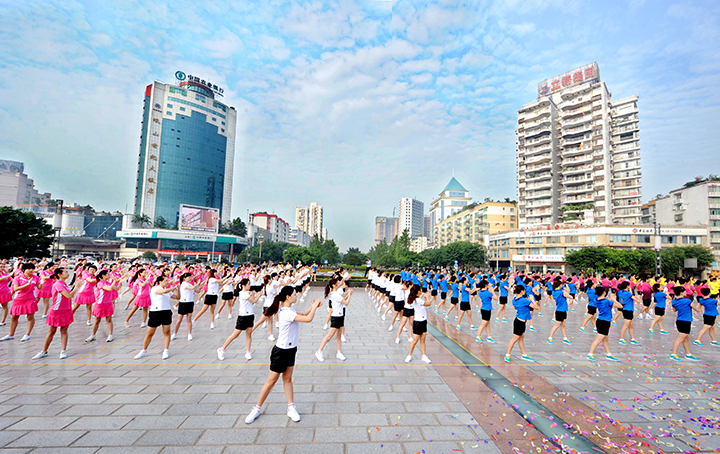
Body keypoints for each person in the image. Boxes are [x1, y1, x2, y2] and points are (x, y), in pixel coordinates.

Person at [245, 286, 323, 424]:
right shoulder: (286, 312)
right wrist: (315, 307)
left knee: (287, 379)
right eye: (294, 294)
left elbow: (304, 315)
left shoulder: (289, 309)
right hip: (281, 352)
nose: (296, 296)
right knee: (271, 382)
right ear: (288, 297)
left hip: (291, 350)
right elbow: (309, 319)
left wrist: (312, 307)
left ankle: (291, 408)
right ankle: (256, 409)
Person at [32, 267, 80, 359]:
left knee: (64, 331)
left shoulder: (64, 284)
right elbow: (69, 295)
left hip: (66, 310)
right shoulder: (58, 284)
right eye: (65, 272)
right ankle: (44, 351)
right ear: (59, 274)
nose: (68, 273)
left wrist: (75, 287)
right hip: (56, 311)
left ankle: (63, 350)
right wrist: (76, 286)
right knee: (51, 332)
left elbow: (69, 295)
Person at [133, 275, 180, 360]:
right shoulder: (155, 288)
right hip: (155, 312)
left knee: (166, 332)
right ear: (160, 281)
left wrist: (178, 290)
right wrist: (172, 287)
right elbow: (164, 291)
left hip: (166, 312)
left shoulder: (168, 291)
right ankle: (144, 350)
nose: (167, 282)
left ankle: (166, 350)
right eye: (165, 280)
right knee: (150, 333)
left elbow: (177, 297)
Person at [217, 279, 261, 361]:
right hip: (243, 316)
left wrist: (253, 294)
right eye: (248, 284)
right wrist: (258, 295)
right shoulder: (243, 293)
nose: (249, 285)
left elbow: (251, 302)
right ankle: (222, 349)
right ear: (244, 285)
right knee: (235, 335)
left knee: (249, 334)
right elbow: (254, 301)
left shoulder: (247, 293)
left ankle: (248, 352)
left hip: (250, 315)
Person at [1, 263, 45, 342]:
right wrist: (27, 284)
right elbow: (16, 288)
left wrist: (42, 283)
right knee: (14, 317)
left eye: (32, 268)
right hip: (19, 299)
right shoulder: (18, 278)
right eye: (29, 268)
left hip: (30, 299)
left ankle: (27, 334)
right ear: (24, 269)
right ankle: (11, 334)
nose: (31, 270)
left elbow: (39, 287)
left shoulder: (35, 277)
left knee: (30, 317)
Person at [315, 277, 352, 362]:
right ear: (334, 285)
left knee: (338, 336)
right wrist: (349, 294)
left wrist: (348, 294)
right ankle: (319, 351)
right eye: (337, 283)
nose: (339, 283)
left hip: (340, 316)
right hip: (336, 317)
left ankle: (339, 352)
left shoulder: (336, 293)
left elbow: (344, 299)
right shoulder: (335, 294)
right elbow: (346, 302)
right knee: (329, 336)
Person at [504, 285, 539, 362]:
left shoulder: (514, 300)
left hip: (519, 321)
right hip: (520, 322)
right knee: (514, 339)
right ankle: (507, 355)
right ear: (522, 291)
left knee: (521, 338)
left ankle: (524, 354)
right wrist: (532, 300)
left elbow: (515, 308)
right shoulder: (524, 300)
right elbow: (536, 307)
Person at [586, 286, 622, 361]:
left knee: (605, 339)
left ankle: (608, 354)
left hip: (600, 321)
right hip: (604, 322)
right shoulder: (607, 301)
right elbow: (620, 306)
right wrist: (613, 300)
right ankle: (590, 354)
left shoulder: (596, 300)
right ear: (604, 292)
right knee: (598, 339)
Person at [85, 270, 121, 343]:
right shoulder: (100, 283)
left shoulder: (108, 283)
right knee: (97, 320)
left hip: (108, 304)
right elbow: (109, 289)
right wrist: (114, 280)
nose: (109, 275)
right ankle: (93, 335)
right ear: (103, 276)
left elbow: (116, 288)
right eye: (107, 274)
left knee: (109, 320)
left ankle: (110, 335)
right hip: (100, 304)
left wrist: (120, 281)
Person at [669, 286, 701, 362]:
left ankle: (688, 354)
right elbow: (697, 309)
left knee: (686, 338)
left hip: (679, 320)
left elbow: (674, 310)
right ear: (681, 292)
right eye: (685, 291)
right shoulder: (687, 301)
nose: (686, 293)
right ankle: (673, 354)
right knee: (680, 339)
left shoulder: (673, 301)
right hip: (685, 321)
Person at [405, 284, 432, 363]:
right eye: (420, 290)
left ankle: (424, 355)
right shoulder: (419, 300)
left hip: (423, 321)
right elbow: (429, 303)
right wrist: (426, 296)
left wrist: (422, 296)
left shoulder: (416, 299)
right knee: (416, 340)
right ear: (418, 291)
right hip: (418, 322)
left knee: (422, 339)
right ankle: (409, 355)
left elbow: (420, 302)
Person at [172, 272, 202, 341]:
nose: (190, 278)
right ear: (184, 278)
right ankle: (174, 334)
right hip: (183, 303)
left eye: (190, 277)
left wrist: (200, 286)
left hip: (190, 303)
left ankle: (189, 334)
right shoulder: (183, 284)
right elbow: (192, 287)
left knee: (189, 319)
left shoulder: (189, 284)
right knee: (179, 320)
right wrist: (197, 283)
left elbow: (197, 291)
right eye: (189, 277)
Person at [548, 277, 572, 345]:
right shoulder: (561, 292)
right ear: (559, 285)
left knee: (563, 324)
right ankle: (550, 337)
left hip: (562, 310)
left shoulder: (554, 292)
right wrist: (566, 288)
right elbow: (571, 296)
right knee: (557, 325)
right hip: (560, 311)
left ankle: (565, 338)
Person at [616, 281, 642, 346]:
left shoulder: (620, 292)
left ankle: (633, 339)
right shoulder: (628, 294)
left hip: (627, 309)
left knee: (631, 326)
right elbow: (638, 301)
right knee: (626, 325)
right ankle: (621, 339)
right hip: (628, 310)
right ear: (627, 286)